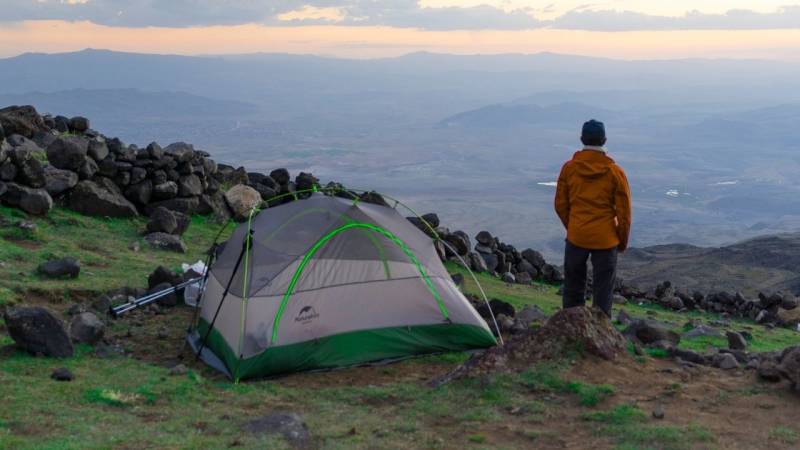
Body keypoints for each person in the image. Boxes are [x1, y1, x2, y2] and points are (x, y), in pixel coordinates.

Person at [554, 119, 632, 317]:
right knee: (603, 293)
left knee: (573, 289)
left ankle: (570, 330)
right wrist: (621, 241)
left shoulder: (569, 168)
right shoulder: (615, 172)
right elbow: (624, 213)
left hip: (577, 236)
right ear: (604, 140)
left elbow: (561, 204)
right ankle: (601, 335)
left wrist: (573, 226)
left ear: (581, 139)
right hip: (606, 240)